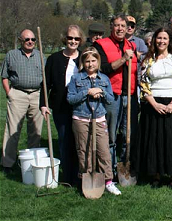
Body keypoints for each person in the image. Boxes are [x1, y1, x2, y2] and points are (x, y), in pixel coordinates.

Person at [132, 27, 172, 189]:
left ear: (169, 41)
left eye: (165, 38)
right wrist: (154, 104)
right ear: (154, 40)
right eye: (159, 38)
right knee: (155, 140)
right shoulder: (148, 60)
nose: (161, 41)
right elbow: (143, 82)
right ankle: (156, 174)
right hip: (153, 104)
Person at [67, 47, 121, 196]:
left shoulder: (104, 79)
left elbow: (110, 100)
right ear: (83, 63)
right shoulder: (76, 79)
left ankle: (108, 181)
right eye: (87, 61)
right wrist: (87, 92)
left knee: (103, 150)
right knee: (84, 150)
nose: (90, 64)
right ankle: (86, 178)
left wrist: (101, 92)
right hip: (81, 119)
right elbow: (70, 99)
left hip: (99, 118)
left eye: (93, 61)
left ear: (98, 61)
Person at [39, 25, 84, 185]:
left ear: (80, 40)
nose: (73, 41)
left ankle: (80, 173)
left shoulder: (84, 58)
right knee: (65, 139)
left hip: (80, 106)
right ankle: (68, 176)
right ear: (65, 38)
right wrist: (43, 104)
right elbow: (46, 83)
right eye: (70, 38)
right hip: (60, 106)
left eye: (76, 38)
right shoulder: (54, 59)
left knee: (80, 140)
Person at [93, 14, 138, 175]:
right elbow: (102, 68)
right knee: (110, 135)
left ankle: (124, 166)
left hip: (130, 96)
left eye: (123, 26)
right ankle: (109, 169)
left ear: (127, 29)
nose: (120, 29)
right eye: (117, 25)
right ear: (111, 27)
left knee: (129, 135)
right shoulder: (101, 44)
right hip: (112, 96)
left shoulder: (131, 46)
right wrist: (123, 58)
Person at [1, 29, 43, 174]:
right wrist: (10, 93)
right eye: (27, 39)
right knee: (12, 130)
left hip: (37, 94)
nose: (30, 42)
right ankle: (7, 163)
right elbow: (4, 76)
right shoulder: (11, 55)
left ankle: (31, 162)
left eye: (33, 39)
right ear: (21, 40)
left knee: (36, 131)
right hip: (18, 94)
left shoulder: (41, 56)